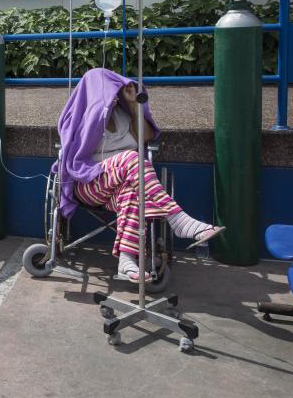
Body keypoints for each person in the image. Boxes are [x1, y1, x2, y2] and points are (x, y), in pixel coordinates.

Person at [57, 68, 225, 282]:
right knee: (131, 158)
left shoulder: (122, 114)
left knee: (132, 191)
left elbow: (145, 137)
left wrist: (134, 104)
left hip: (123, 183)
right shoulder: (82, 119)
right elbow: (73, 147)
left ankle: (126, 261)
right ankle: (178, 219)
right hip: (90, 183)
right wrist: (98, 112)